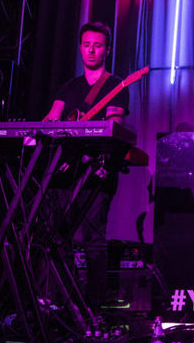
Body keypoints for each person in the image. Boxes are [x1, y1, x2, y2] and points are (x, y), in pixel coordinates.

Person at [42, 21, 130, 308]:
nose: (91, 50)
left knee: (93, 236)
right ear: (80, 47)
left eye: (98, 45)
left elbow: (113, 126)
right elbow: (51, 119)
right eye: (87, 45)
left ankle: (94, 307)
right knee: (58, 236)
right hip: (65, 170)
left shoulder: (116, 85)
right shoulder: (68, 87)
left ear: (107, 50)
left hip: (96, 170)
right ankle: (62, 302)